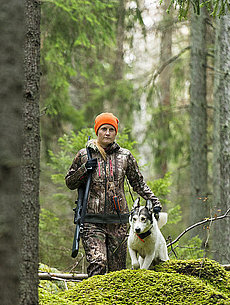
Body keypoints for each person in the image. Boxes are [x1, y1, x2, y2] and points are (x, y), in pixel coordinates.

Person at [65, 112, 162, 277]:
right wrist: (84, 169)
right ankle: (92, 302)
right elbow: (69, 182)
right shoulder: (84, 155)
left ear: (116, 132)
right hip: (91, 221)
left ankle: (113, 303)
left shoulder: (125, 156)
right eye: (104, 129)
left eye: (111, 129)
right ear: (97, 131)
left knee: (117, 273)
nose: (107, 133)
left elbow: (137, 183)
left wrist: (154, 201)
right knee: (98, 263)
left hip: (118, 223)